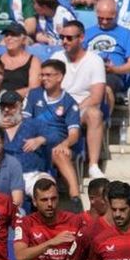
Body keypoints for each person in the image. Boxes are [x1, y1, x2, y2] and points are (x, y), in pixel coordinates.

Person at [51, 20, 107, 180]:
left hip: (82, 107)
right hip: (58, 107)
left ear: (81, 38)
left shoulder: (94, 60)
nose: (64, 41)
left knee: (95, 114)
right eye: (62, 37)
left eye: (69, 38)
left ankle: (93, 165)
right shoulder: (57, 57)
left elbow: (96, 97)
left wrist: (73, 109)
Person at [23, 59, 82, 207]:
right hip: (34, 141)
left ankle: (75, 198)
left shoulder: (70, 103)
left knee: (59, 152)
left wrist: (64, 144)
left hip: (56, 144)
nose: (44, 78)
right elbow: (25, 122)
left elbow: (74, 134)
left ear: (59, 77)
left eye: (48, 75)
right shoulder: (34, 95)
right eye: (42, 75)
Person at [83, 0, 130, 104]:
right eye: (101, 18)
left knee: (105, 88)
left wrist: (114, 69)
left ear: (116, 15)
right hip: (89, 73)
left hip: (113, 75)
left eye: (109, 19)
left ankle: (103, 118)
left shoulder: (126, 34)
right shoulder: (87, 33)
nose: (104, 22)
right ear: (96, 14)